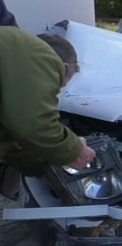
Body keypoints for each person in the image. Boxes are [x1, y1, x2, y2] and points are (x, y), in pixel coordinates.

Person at [0, 26, 95, 197]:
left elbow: (8, 136)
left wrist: (38, 170)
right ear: (65, 68)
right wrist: (75, 148)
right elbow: (34, 125)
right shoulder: (41, 58)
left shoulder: (15, 52)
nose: (60, 87)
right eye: (59, 82)